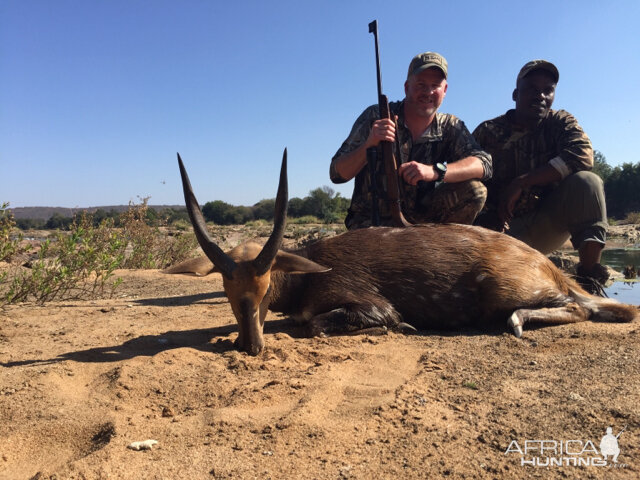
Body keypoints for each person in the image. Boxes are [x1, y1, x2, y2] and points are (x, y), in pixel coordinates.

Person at [473, 60, 609, 295]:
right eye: (532, 89)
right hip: (498, 236)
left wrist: (522, 181)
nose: (541, 96)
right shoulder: (488, 131)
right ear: (516, 94)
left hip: (544, 226)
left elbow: (583, 155)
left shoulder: (560, 122)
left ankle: (589, 280)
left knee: (588, 181)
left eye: (548, 90)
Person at [330, 52, 492, 229]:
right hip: (372, 225)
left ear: (444, 90)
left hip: (424, 225)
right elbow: (337, 173)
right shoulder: (375, 116)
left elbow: (484, 164)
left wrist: (436, 171)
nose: (428, 92)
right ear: (407, 87)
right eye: (421, 85)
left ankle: (439, 250)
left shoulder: (450, 126)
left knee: (475, 191)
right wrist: (370, 143)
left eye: (435, 85)